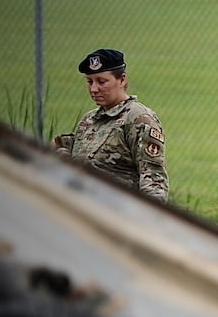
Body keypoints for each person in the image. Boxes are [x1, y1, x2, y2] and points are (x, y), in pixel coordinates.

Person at [52, 47, 168, 201]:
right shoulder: (89, 120)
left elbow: (154, 179)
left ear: (122, 80)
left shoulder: (138, 119)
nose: (94, 89)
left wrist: (149, 219)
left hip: (119, 214)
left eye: (102, 82)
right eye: (89, 81)